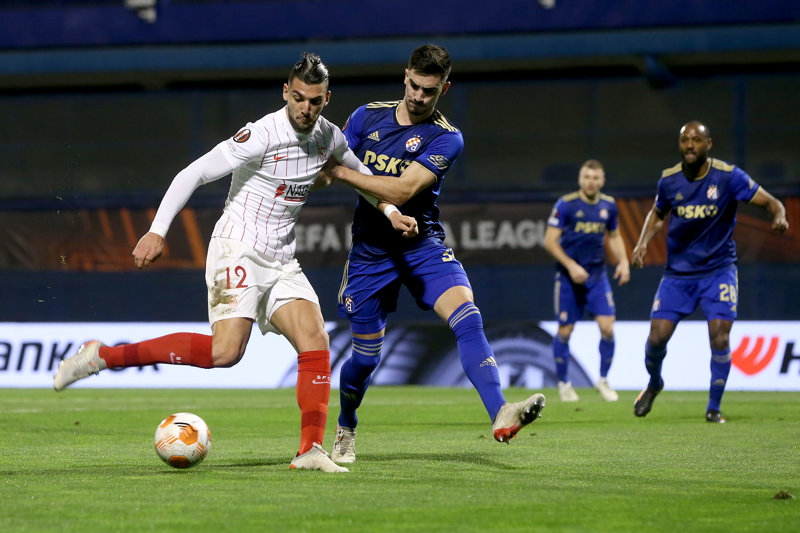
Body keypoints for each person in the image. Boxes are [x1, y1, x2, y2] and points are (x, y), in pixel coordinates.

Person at [52, 53, 418, 473]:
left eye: (314, 101)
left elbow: (365, 180)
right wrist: (157, 230)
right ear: (285, 92)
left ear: (326, 99)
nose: (305, 108)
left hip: (282, 258)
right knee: (226, 353)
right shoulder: (262, 133)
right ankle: (102, 356)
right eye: (298, 98)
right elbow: (193, 173)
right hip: (237, 246)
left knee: (315, 339)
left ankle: (309, 451)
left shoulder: (329, 138)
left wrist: (391, 212)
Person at [320, 44, 546, 463]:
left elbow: (403, 189)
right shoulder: (366, 117)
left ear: (445, 88)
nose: (419, 97)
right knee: (365, 360)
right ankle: (346, 425)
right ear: (405, 76)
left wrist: (341, 171)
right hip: (370, 254)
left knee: (468, 316)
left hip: (421, 245)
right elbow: (326, 171)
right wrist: (327, 171)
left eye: (430, 90)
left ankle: (500, 411)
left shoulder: (447, 137)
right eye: (415, 86)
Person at [631, 120, 788, 423]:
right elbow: (658, 214)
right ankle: (654, 382)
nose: (690, 145)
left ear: (708, 144)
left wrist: (779, 215)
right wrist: (641, 243)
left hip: (719, 270)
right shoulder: (669, 180)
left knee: (719, 336)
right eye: (684, 140)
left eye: (696, 140)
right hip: (678, 274)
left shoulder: (729, 177)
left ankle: (713, 407)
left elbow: (770, 202)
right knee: (656, 339)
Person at [544, 160, 630, 402]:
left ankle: (603, 380)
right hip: (568, 277)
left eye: (595, 178)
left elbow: (614, 235)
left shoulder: (608, 206)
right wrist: (571, 266)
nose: (591, 182)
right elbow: (549, 241)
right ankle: (564, 383)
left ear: (602, 181)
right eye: (587, 177)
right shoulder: (566, 204)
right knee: (565, 330)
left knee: (608, 327)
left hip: (597, 276)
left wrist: (623, 261)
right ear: (580, 179)